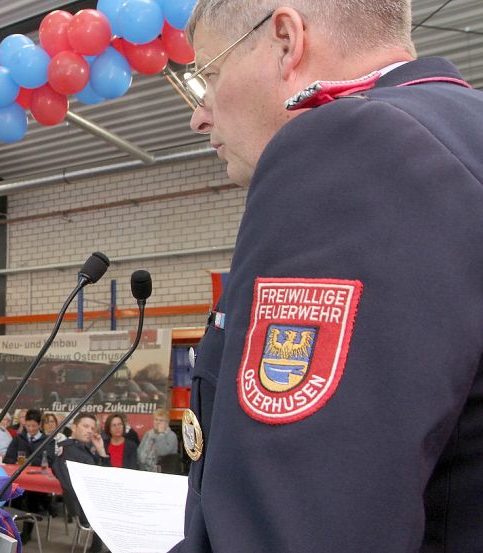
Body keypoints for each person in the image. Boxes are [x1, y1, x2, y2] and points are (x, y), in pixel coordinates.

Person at [170, 2, 483, 552]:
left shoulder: (354, 148)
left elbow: (301, 528)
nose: (199, 116)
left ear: (286, 40)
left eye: (208, 76)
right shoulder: (459, 134)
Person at [52, 413, 108, 553]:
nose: (90, 430)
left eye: (92, 428)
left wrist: (101, 449)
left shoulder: (86, 449)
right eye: (85, 426)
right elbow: (70, 486)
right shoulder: (67, 450)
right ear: (74, 427)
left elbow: (107, 478)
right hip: (86, 508)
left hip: (97, 503)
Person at [138, 409, 179, 474]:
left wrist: (161, 434)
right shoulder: (148, 434)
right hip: (143, 470)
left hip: (162, 472)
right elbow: (139, 451)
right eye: (156, 419)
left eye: (161, 420)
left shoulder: (172, 436)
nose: (157, 422)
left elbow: (162, 452)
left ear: (167, 422)